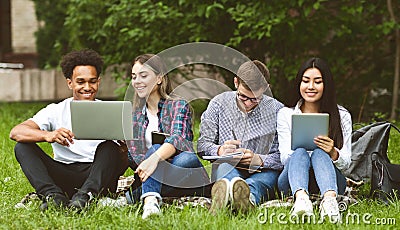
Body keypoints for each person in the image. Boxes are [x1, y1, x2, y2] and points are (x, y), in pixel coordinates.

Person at [9, 49, 128, 211]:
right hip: (63, 173)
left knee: (109, 147)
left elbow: (117, 163)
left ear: (98, 82)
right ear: (70, 82)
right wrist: (48, 135)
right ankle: (52, 196)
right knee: (22, 146)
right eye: (80, 82)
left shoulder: (112, 111)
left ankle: (86, 197)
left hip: (97, 176)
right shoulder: (56, 110)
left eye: (92, 81)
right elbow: (16, 132)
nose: (87, 87)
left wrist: (125, 152)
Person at [125, 54, 210, 219]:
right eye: (134, 76)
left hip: (188, 174)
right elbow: (134, 157)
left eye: (143, 76)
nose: (137, 81)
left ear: (159, 79)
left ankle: (133, 199)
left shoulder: (179, 105)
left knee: (188, 159)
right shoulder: (134, 115)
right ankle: (151, 201)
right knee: (155, 150)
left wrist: (155, 158)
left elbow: (179, 138)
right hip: (156, 177)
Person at [197, 60, 283, 213]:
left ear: (266, 88)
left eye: (255, 99)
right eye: (243, 97)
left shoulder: (278, 110)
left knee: (262, 181)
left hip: (263, 170)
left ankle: (244, 200)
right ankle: (229, 196)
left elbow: (285, 155)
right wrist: (220, 151)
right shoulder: (218, 104)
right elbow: (202, 145)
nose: (248, 104)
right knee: (225, 170)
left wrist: (260, 159)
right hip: (228, 165)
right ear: (235, 82)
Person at [276, 57, 352, 221]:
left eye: (317, 81)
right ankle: (302, 201)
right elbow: (284, 158)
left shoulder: (342, 116)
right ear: (299, 83)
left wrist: (332, 153)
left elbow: (347, 163)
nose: (310, 87)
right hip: (292, 180)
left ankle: (329, 203)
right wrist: (302, 153)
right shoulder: (286, 114)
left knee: (319, 153)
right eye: (305, 81)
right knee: (300, 152)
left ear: (326, 85)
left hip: (329, 180)